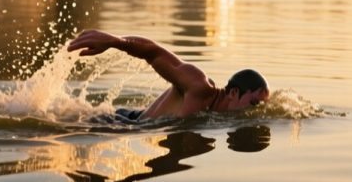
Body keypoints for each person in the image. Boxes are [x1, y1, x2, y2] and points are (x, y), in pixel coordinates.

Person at [67, 30, 270, 121]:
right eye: (254, 104)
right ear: (234, 93)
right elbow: (154, 52)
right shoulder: (199, 85)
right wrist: (114, 41)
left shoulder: (215, 113)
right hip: (116, 121)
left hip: (134, 117)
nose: (256, 112)